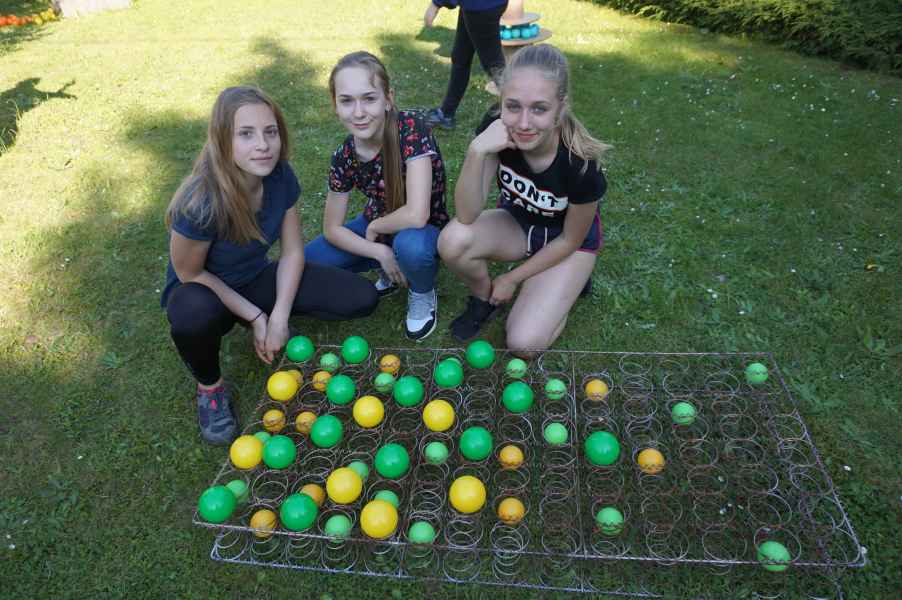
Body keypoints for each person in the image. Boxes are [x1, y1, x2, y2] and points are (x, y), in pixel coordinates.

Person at [162, 86, 378, 445]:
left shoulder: (279, 176)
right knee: (192, 313)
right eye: (246, 134)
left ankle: (260, 316)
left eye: (270, 132)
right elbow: (190, 273)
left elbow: (292, 252)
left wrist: (278, 315)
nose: (263, 145)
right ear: (222, 140)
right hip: (205, 292)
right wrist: (256, 317)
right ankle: (210, 387)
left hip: (254, 278)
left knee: (361, 297)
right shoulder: (199, 201)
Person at [438, 44, 610, 357]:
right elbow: (466, 214)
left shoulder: (581, 164)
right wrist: (476, 151)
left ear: (560, 108)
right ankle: (483, 299)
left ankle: (568, 284)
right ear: (501, 100)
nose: (524, 123)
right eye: (513, 106)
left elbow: (571, 239)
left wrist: (512, 278)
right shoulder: (497, 128)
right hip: (520, 224)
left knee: (523, 343)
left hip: (568, 243)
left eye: (540, 109)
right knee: (453, 240)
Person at [305, 51, 449, 341]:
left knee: (410, 247)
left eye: (369, 98)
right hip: (378, 228)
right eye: (347, 101)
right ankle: (387, 264)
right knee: (308, 261)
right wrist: (377, 250)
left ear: (388, 99)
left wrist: (374, 228)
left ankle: (422, 291)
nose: (358, 113)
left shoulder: (412, 128)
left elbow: (417, 214)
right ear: (335, 105)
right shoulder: (344, 156)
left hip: (422, 230)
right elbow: (332, 229)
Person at [423, 0, 508, 130]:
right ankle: (447, 112)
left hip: (481, 6)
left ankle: (521, 108)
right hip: (474, 5)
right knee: (461, 56)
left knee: (495, 67)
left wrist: (436, 4)